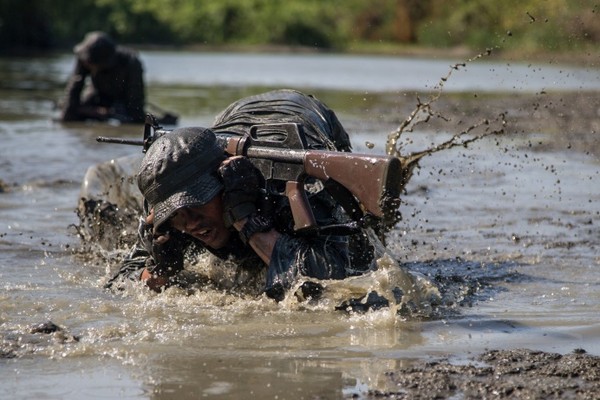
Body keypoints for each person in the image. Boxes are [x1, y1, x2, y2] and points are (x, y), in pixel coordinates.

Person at [106, 89, 384, 302]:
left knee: (360, 230)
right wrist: (159, 268)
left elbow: (331, 282)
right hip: (234, 117)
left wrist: (247, 220)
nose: (189, 223)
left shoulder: (295, 184)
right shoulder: (166, 204)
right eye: (176, 214)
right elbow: (120, 287)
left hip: (307, 119)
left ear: (223, 182)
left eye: (196, 203)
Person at [59, 31, 146, 124]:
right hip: (97, 92)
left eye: (89, 62)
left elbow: (135, 100)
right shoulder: (84, 57)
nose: (85, 64)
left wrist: (136, 118)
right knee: (73, 108)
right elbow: (74, 86)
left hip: (122, 98)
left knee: (128, 117)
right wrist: (66, 117)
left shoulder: (131, 62)